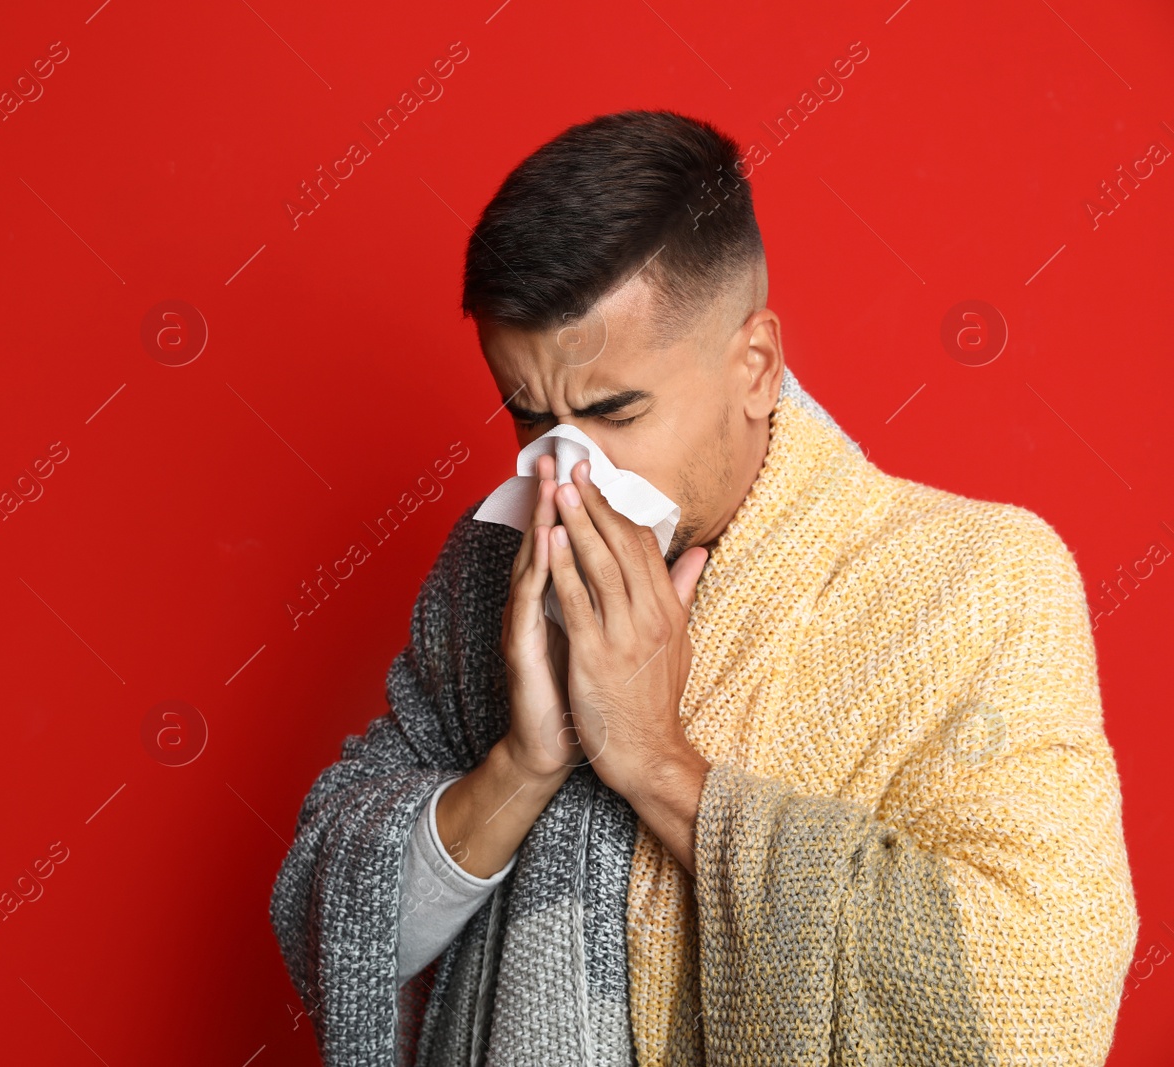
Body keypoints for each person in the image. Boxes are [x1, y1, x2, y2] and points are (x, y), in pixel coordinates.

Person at [268, 109, 1138, 1067]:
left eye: (613, 412)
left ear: (755, 366)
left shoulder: (977, 585)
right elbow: (331, 923)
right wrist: (523, 765)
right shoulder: (490, 576)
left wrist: (655, 760)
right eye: (529, 420)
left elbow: (1035, 998)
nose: (568, 471)